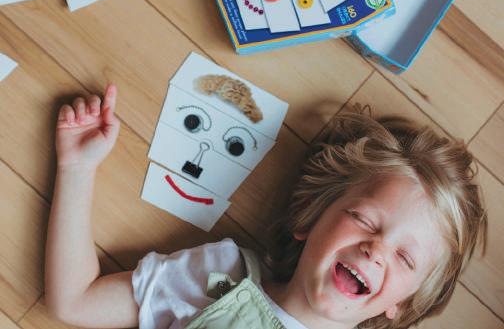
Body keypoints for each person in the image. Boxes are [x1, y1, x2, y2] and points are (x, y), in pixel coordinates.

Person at [46, 85, 487, 329]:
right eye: (363, 219)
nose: (376, 249)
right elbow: (74, 302)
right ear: (310, 219)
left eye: (405, 258)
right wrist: (77, 169)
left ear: (403, 305)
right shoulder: (221, 275)